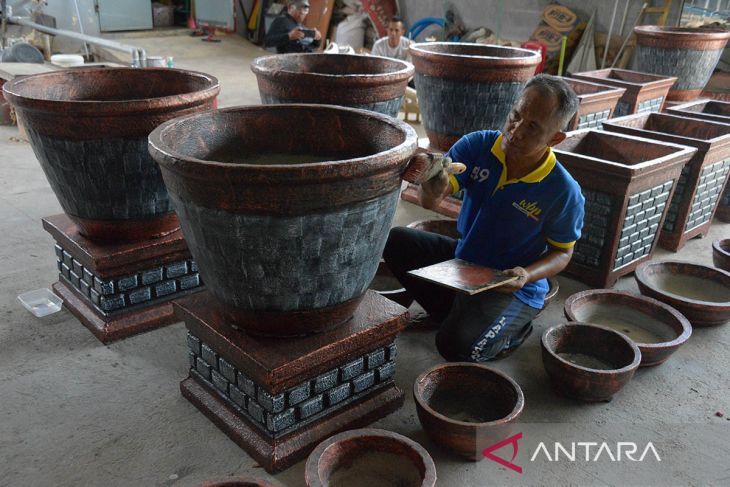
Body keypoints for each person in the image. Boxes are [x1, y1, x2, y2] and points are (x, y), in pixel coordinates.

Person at [384, 74, 584, 362]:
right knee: (397, 241)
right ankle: (450, 313)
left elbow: (562, 253)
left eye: (532, 127)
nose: (515, 130)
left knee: (454, 346)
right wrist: (434, 183)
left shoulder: (563, 190)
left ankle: (512, 334)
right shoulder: (478, 146)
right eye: (515, 116)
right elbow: (429, 200)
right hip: (465, 263)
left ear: (555, 138)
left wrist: (526, 274)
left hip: (511, 284)